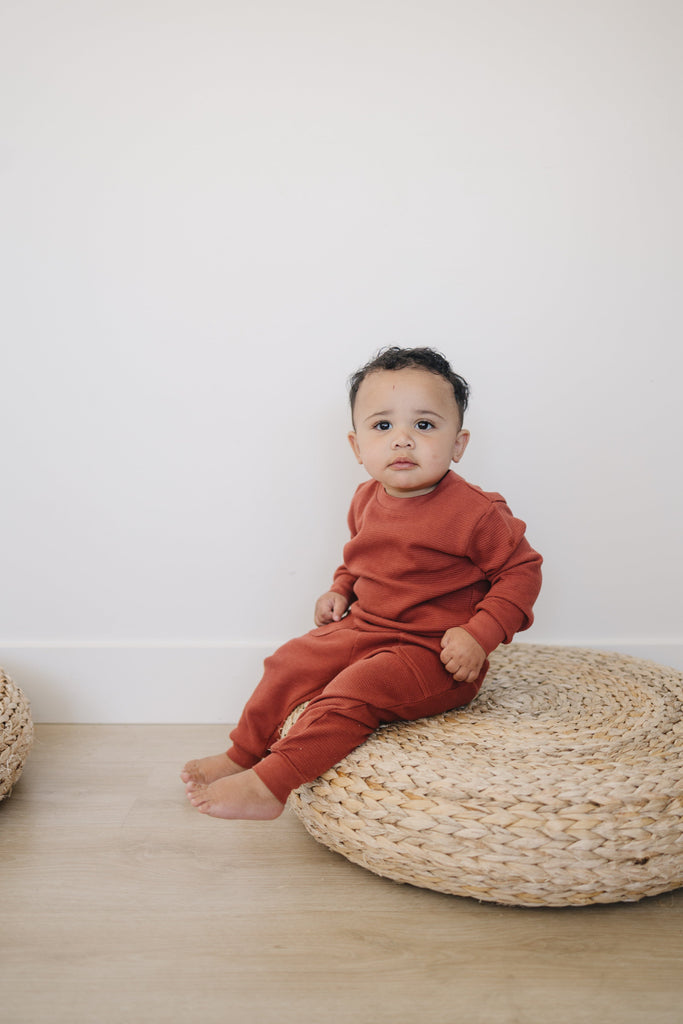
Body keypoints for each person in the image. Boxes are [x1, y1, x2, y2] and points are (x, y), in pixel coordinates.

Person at [182, 347, 543, 820]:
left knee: (354, 691)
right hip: (365, 627)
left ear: (458, 444)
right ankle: (243, 753)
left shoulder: (476, 513)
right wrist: (340, 589)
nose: (403, 441)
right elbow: (361, 555)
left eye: (425, 426)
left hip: (432, 653)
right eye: (383, 426)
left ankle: (272, 785)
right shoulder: (365, 498)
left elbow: (522, 570)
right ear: (357, 447)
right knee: (288, 661)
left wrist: (480, 634)